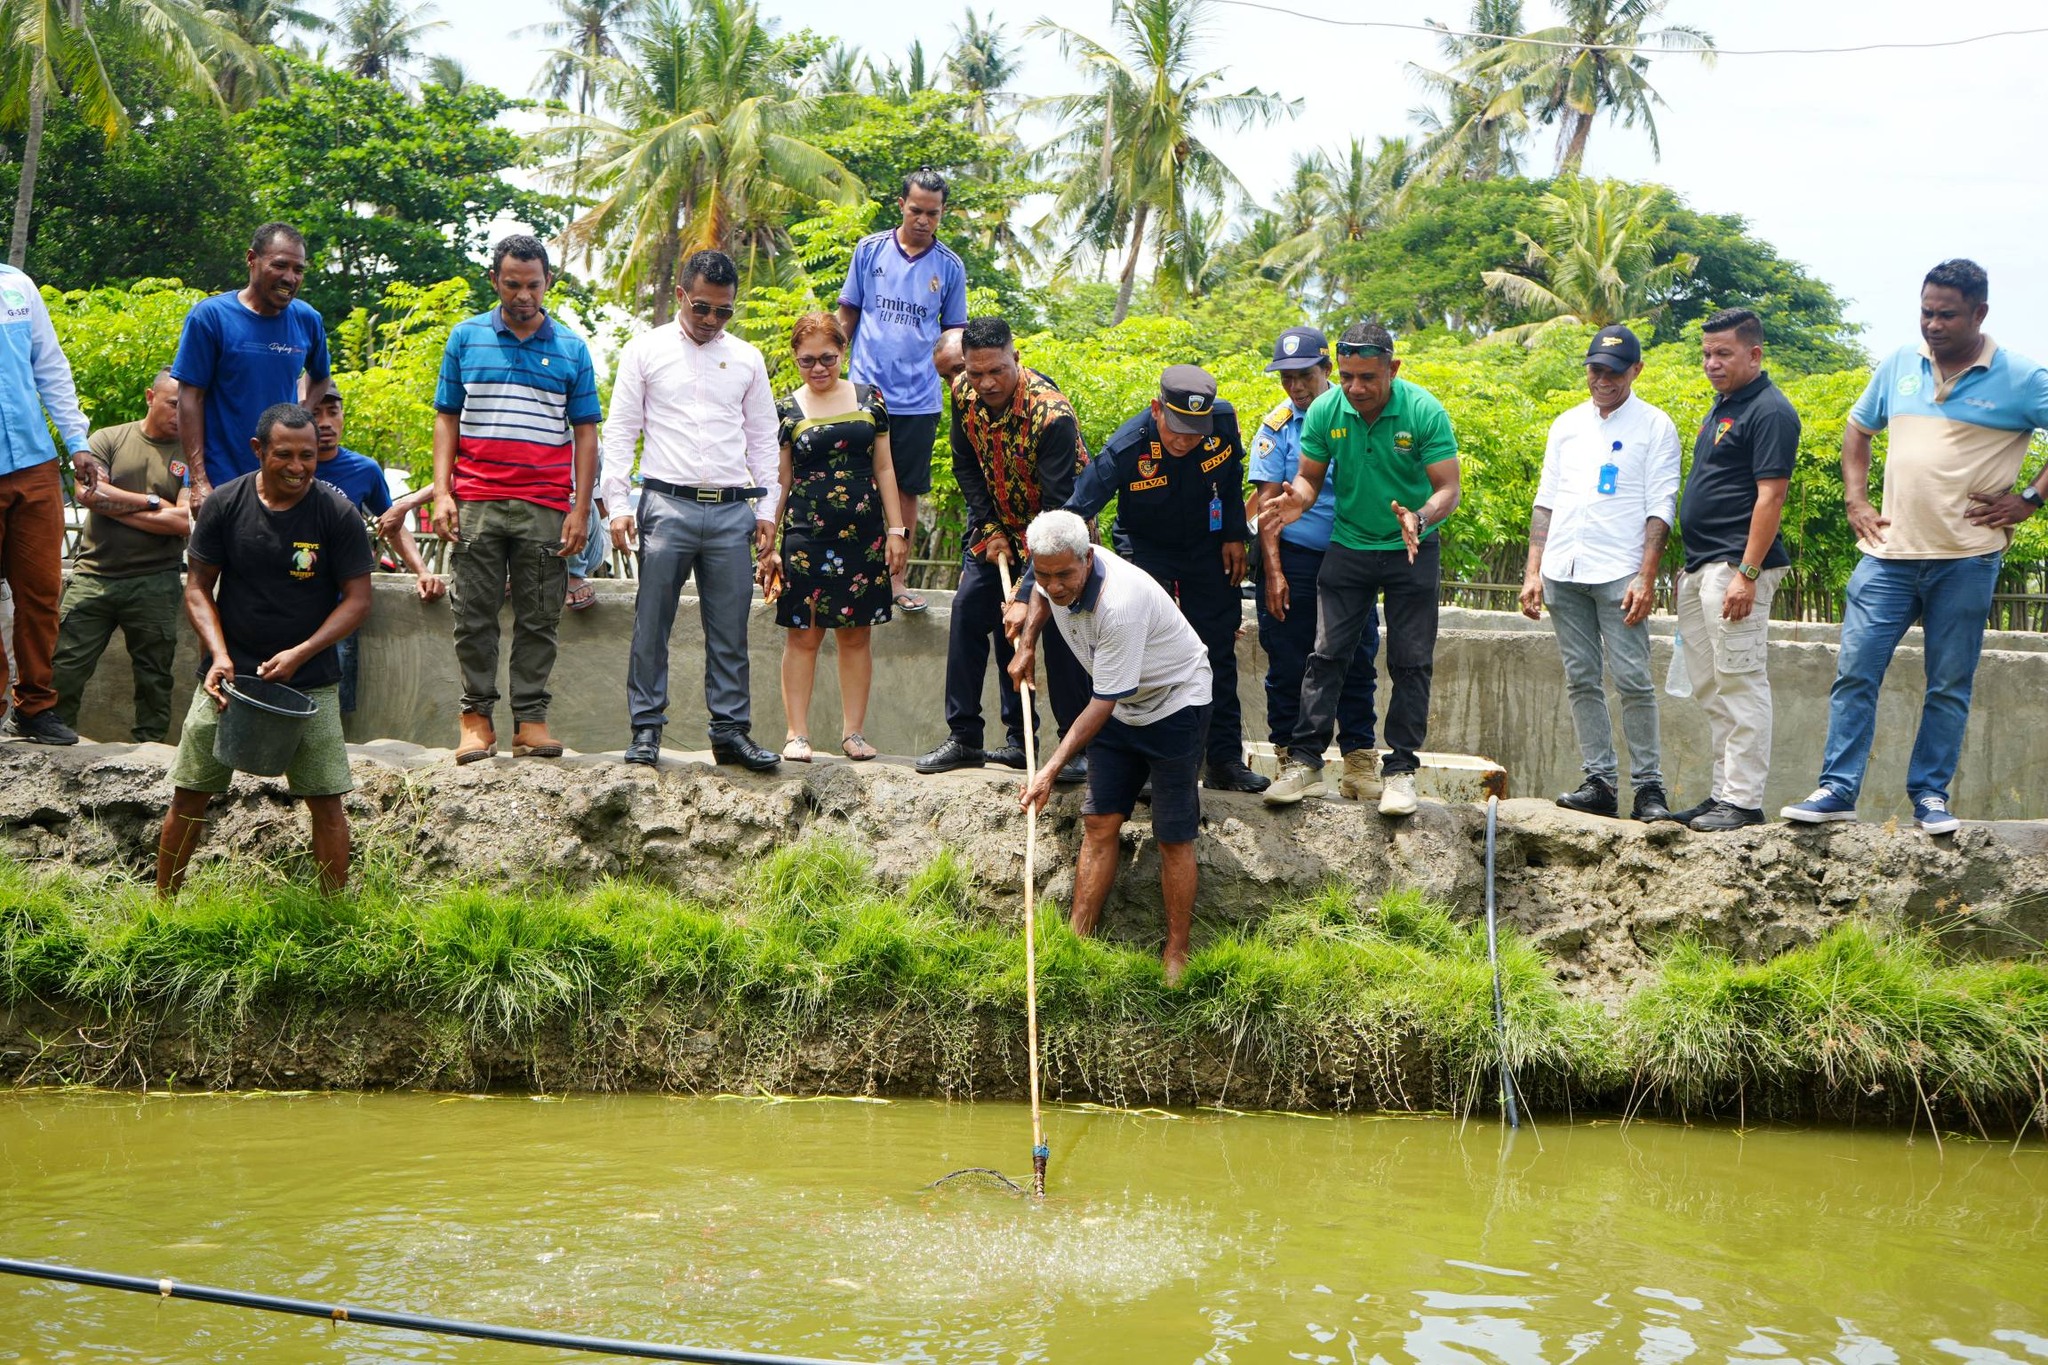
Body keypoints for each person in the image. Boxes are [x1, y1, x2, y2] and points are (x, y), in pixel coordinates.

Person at [1783, 260, 2048, 834]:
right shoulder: (1900, 364)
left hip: (1967, 558)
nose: (1932, 324)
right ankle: (1836, 788)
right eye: (1926, 311)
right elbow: (1859, 429)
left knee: (1948, 684)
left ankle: (1930, 796)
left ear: (1979, 313)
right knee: (1855, 672)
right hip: (1888, 556)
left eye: (1946, 314)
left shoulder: (2023, 377)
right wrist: (1856, 499)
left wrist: (2030, 497)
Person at [155, 403, 374, 896]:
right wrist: (219, 655)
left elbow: (358, 600)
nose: (298, 467)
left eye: (309, 456)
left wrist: (302, 651)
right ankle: (161, 906)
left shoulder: (335, 512)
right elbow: (197, 589)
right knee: (190, 792)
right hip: (228, 680)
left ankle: (331, 916)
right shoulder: (225, 504)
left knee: (326, 799)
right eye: (285, 455)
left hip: (310, 680)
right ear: (259, 451)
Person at [1263, 322, 1461, 818]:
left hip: (1410, 547)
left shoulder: (1423, 411)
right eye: (1347, 376)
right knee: (1326, 654)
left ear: (1392, 369)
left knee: (1411, 661)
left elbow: (1448, 489)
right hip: (1348, 546)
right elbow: (1308, 479)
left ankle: (1400, 771)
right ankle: (1304, 762)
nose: (1355, 388)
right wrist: (1296, 503)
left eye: (1367, 377)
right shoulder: (1327, 411)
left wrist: (1419, 517)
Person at [1012, 511, 1212, 986]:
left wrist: (1050, 768)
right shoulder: (1050, 570)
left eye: (1064, 575)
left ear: (1087, 558)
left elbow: (1103, 701)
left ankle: (1176, 952)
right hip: (1122, 707)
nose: (1055, 585)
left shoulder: (1119, 602)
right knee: (1099, 821)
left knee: (1172, 834)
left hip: (1174, 703)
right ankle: (1078, 941)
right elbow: (1040, 594)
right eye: (1043, 573)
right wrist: (1027, 643)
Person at [604, 249, 781, 771]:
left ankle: (729, 733)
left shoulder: (747, 358)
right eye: (702, 308)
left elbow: (763, 440)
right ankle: (645, 730)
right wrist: (616, 503)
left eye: (724, 311)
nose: (711, 321)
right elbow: (621, 430)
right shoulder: (646, 350)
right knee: (651, 623)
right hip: (666, 503)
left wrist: (768, 506)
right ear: (682, 295)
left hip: (732, 511)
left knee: (731, 628)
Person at [431, 234, 599, 763]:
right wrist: (442, 492)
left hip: (546, 504)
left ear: (549, 281)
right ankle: (476, 720)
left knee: (540, 615)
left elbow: (586, 433)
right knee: (473, 614)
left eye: (533, 284)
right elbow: (446, 418)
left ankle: (530, 720)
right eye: (512, 284)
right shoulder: (465, 337)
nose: (523, 295)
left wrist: (580, 508)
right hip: (477, 497)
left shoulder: (572, 347)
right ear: (494, 281)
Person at [1063, 365, 1266, 793]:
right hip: (1147, 549)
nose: (1184, 440)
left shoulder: (1223, 426)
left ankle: (1224, 759)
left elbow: (1229, 483)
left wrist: (1233, 533)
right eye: (1176, 428)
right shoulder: (1126, 446)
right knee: (1145, 653)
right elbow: (1073, 514)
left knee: (1215, 651)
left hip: (1207, 549)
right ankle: (1146, 765)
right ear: (1157, 409)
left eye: (1194, 431)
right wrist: (1030, 591)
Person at [1518, 325, 1683, 822]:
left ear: (1636, 370)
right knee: (1581, 678)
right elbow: (1545, 501)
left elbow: (1661, 507)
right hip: (1563, 570)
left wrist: (1646, 576)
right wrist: (1533, 570)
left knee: (1634, 680)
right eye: (1595, 369)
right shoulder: (1566, 425)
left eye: (1614, 370)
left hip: (1620, 572)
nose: (1603, 379)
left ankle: (1649, 788)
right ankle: (1600, 781)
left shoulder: (1656, 426)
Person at [916, 316, 1089, 778]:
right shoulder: (962, 393)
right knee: (970, 612)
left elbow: (1058, 510)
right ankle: (971, 738)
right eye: (976, 373)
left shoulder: (1052, 416)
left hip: (1059, 535)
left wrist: (1027, 590)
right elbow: (966, 464)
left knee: (1053, 629)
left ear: (1016, 357)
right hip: (998, 528)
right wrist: (989, 526)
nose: (986, 383)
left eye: (997, 371)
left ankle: (1076, 749)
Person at [1665, 309, 1799, 832]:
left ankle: (1743, 801)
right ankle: (1722, 793)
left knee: (1740, 682)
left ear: (1754, 354)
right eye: (1706, 353)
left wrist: (1747, 571)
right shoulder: (1725, 406)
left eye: (1723, 353)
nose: (1712, 363)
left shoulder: (1770, 410)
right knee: (1710, 686)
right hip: (1702, 566)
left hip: (1735, 568)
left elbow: (1772, 495)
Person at [769, 311, 909, 762]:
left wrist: (896, 530)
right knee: (803, 636)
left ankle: (853, 733)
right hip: (806, 538)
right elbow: (781, 480)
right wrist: (767, 543)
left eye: (827, 358)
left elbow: (885, 468)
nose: (819, 369)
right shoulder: (787, 409)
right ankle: (797, 733)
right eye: (807, 361)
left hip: (865, 536)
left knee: (855, 636)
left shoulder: (871, 398)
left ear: (843, 351)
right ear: (795, 359)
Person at [1251, 326, 1383, 800]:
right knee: (1289, 661)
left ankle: (1359, 763)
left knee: (1356, 658)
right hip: (1295, 557)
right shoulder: (1277, 426)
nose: (1296, 387)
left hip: (1354, 555)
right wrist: (1274, 572)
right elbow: (1267, 506)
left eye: (1305, 375)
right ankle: (1292, 758)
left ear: (1327, 371)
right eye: (1286, 378)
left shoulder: (1361, 416)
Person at [837, 166, 968, 614]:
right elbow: (847, 317)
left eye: (933, 213)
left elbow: (954, 336)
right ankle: (849, 573)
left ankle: (895, 580)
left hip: (919, 400)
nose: (924, 220)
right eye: (916, 210)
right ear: (901, 205)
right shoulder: (869, 251)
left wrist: (960, 384)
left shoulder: (950, 267)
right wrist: (828, 371)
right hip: (863, 394)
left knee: (906, 490)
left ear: (942, 213)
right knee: (853, 483)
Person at [50, 370, 192, 743]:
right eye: (174, 403)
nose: (181, 413)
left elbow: (183, 521)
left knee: (155, 674)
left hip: (155, 581)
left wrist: (117, 504)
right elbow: (89, 494)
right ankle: (54, 737)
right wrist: (152, 502)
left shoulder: (193, 454)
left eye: (190, 406)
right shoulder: (108, 439)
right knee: (65, 665)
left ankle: (150, 747)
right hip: (93, 575)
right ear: (150, 396)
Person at [0, 258, 102, 746]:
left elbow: (51, 368)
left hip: (34, 461)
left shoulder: (16, 287)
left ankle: (35, 706)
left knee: (41, 592)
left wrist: (77, 442)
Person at [170, 222, 333, 505]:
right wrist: (198, 480)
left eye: (299, 270)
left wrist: (301, 413)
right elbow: (189, 398)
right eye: (280, 265)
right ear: (251, 259)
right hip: (221, 481)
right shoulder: (211, 316)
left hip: (281, 483)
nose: (290, 278)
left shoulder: (308, 320)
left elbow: (321, 377)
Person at [309, 388, 444, 718]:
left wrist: (421, 571)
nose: (325, 422)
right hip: (286, 597)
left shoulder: (363, 469)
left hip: (341, 601)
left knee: (335, 690)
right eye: (315, 413)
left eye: (333, 412)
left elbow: (393, 522)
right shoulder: (282, 463)